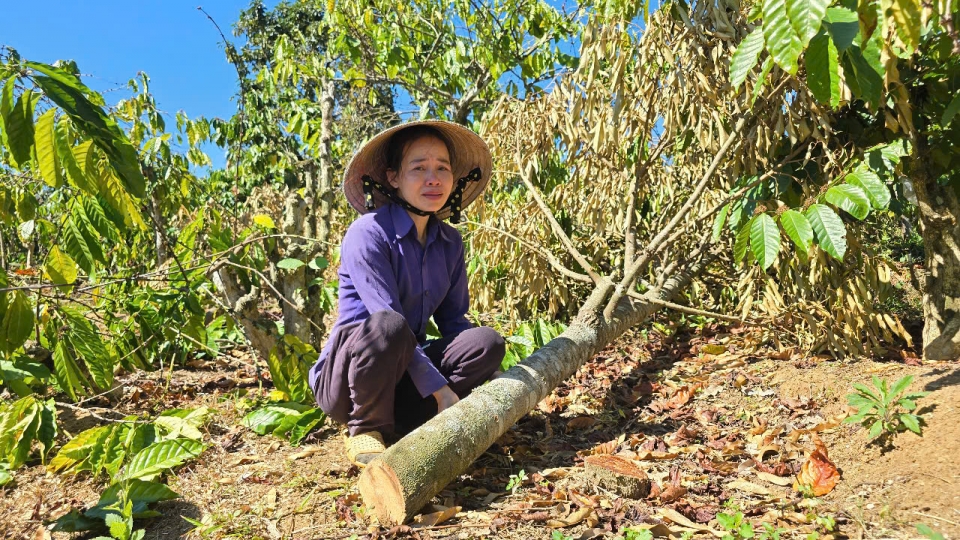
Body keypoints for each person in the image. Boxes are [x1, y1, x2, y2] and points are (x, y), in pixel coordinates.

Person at [309, 121, 505, 467]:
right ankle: (366, 428)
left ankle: (406, 419)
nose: (434, 178)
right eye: (419, 168)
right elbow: (385, 321)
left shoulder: (449, 243)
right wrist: (442, 388)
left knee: (487, 342)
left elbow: (454, 323)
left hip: (403, 379)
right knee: (390, 325)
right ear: (393, 178)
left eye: (442, 168)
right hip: (348, 381)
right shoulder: (367, 233)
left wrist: (490, 376)